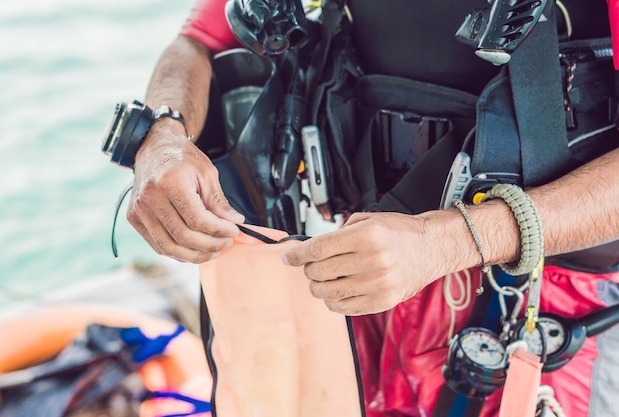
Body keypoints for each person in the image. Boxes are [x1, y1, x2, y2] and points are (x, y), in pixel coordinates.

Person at [116, 0, 619, 416]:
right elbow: (199, 40)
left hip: (546, 298)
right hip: (358, 268)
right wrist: (163, 136)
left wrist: (455, 240)